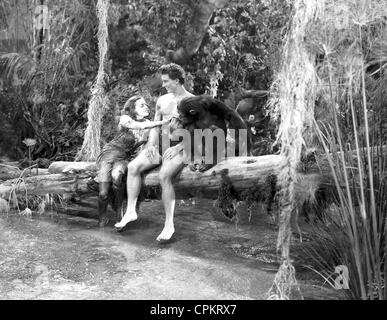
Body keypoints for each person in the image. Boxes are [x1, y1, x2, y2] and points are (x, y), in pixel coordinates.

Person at [114, 63, 194, 241]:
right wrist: (150, 145)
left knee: (164, 175)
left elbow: (197, 130)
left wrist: (179, 147)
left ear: (178, 80)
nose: (163, 84)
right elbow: (155, 127)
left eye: (166, 81)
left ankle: (169, 224)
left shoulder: (192, 101)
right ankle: (130, 212)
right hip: (160, 144)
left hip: (182, 146)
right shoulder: (162, 100)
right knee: (133, 166)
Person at [95, 95, 169, 227]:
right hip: (109, 154)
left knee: (117, 177)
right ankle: (102, 218)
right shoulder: (126, 118)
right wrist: (162, 122)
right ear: (133, 109)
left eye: (146, 105)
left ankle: (119, 213)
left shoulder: (150, 126)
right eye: (141, 105)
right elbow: (137, 126)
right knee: (103, 193)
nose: (146, 107)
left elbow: (148, 146)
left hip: (124, 158)